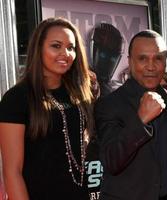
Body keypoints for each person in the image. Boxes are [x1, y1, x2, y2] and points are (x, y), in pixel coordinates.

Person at [0, 17, 97, 200]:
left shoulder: (79, 94)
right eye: (56, 46)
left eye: (71, 48)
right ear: (39, 48)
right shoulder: (16, 98)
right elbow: (12, 171)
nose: (66, 53)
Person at [94, 30, 167, 200]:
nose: (151, 66)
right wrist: (140, 120)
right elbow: (111, 161)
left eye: (158, 58)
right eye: (142, 58)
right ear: (130, 62)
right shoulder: (110, 104)